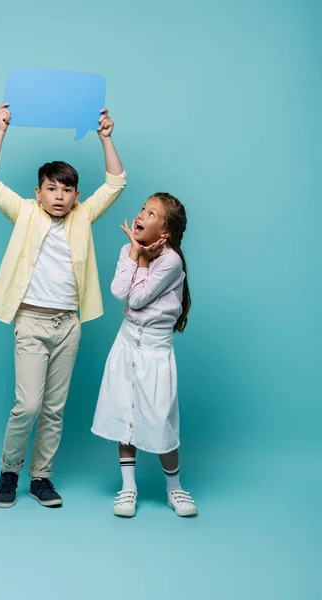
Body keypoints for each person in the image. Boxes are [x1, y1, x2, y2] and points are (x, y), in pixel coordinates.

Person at [0, 103, 125, 508]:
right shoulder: (24, 213)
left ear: (76, 195)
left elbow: (115, 183)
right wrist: (0, 131)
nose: (59, 196)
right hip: (30, 321)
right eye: (52, 189)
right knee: (28, 405)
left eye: (67, 189)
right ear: (38, 192)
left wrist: (105, 137)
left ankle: (41, 477)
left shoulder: (83, 216)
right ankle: (9, 471)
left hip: (68, 325)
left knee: (54, 409)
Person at [91, 193, 197, 517]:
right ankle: (128, 488)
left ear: (165, 232)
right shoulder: (129, 250)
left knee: (160, 417)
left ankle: (174, 488)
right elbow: (118, 291)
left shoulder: (171, 261)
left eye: (151, 213)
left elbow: (136, 299)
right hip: (126, 344)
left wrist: (143, 259)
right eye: (142, 209)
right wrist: (135, 253)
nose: (140, 215)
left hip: (154, 350)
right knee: (127, 414)